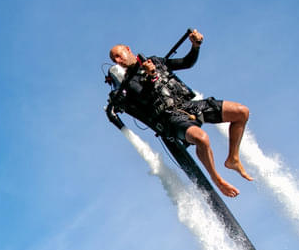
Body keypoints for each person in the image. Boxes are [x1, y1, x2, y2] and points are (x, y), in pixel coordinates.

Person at [107, 29, 252, 197]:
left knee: (241, 112)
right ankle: (217, 179)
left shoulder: (155, 60)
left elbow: (186, 62)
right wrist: (151, 75)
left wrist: (195, 46)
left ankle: (232, 159)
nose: (118, 61)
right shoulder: (129, 84)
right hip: (171, 117)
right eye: (114, 60)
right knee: (202, 139)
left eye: (118, 55)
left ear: (128, 49)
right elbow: (144, 97)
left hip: (189, 105)